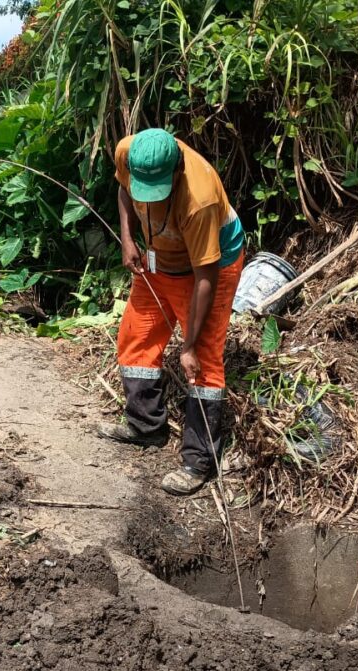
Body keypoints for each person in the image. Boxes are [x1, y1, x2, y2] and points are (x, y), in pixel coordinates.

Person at [97, 128, 245, 496]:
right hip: (158, 260)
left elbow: (205, 278)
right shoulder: (127, 152)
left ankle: (198, 462)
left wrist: (189, 344)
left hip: (209, 268)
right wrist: (128, 240)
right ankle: (145, 425)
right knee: (137, 336)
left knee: (205, 360)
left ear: (177, 170)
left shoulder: (200, 199)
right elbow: (123, 191)